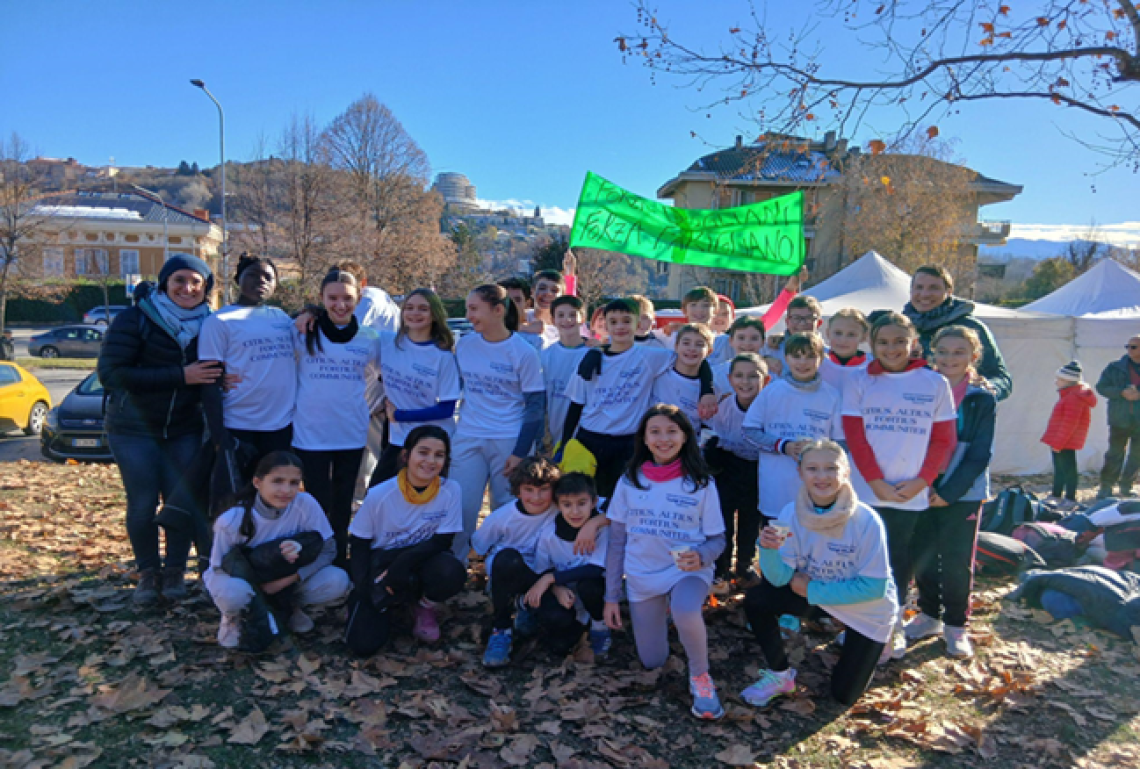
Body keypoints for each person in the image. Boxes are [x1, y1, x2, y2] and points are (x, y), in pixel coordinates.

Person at [98, 254, 220, 605]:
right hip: (133, 429)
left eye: (196, 282)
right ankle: (148, 574)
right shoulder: (135, 319)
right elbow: (112, 374)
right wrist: (181, 375)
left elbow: (215, 372)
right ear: (165, 282)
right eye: (180, 280)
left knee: (180, 503)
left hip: (183, 428)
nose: (188, 288)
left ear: (206, 288)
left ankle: (175, 572)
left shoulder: (211, 324)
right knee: (142, 503)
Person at [741, 440, 898, 707]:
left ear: (846, 472)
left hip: (865, 608)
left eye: (831, 468)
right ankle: (781, 675)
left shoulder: (866, 520)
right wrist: (767, 549)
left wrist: (811, 590)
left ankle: (873, 639)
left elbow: (874, 588)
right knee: (757, 599)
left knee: (843, 696)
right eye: (812, 468)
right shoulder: (791, 512)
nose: (821, 476)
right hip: (817, 596)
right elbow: (779, 579)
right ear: (800, 473)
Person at [842, 312, 957, 661]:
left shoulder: (935, 384)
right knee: (860, 558)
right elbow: (855, 437)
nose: (891, 349)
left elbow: (943, 440)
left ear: (914, 343)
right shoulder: (860, 381)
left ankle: (891, 628)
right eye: (883, 342)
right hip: (866, 490)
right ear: (872, 344)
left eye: (898, 341)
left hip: (910, 493)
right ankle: (858, 625)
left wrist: (923, 481)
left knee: (897, 562)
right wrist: (875, 481)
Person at [604, 404, 728, 720]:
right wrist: (611, 596)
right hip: (643, 576)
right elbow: (616, 542)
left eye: (672, 431)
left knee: (687, 609)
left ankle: (701, 678)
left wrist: (701, 556)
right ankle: (669, 618)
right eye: (655, 432)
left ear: (686, 436)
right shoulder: (629, 481)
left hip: (686, 571)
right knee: (652, 661)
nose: (663, 439)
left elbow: (718, 540)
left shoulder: (700, 483)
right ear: (644, 439)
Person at [561, 299, 715, 498]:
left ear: (638, 324)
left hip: (628, 444)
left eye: (626, 321)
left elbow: (695, 358)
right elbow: (576, 404)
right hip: (589, 439)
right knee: (582, 499)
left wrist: (707, 390)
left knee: (620, 501)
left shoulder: (651, 357)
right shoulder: (590, 361)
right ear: (604, 325)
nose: (620, 327)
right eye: (613, 322)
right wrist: (564, 444)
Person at [907, 326, 997, 659]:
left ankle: (956, 625)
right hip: (922, 486)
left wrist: (949, 491)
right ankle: (929, 615)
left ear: (974, 356)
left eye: (959, 352)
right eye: (942, 351)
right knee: (924, 555)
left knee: (957, 561)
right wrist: (925, 484)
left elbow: (980, 454)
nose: (949, 358)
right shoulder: (922, 389)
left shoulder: (981, 398)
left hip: (963, 492)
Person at [204, 451, 351, 649]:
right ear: (257, 482)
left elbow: (328, 549)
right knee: (233, 594)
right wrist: (256, 590)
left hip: (286, 578)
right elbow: (218, 567)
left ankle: (291, 606)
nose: (286, 490)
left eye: (293, 483)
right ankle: (234, 616)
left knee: (337, 580)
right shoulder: (232, 520)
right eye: (277, 481)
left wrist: (286, 581)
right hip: (242, 577)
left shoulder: (305, 504)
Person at [344, 426, 467, 654]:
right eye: (423, 452)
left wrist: (402, 564)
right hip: (380, 562)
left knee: (450, 571)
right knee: (362, 645)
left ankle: (423, 606)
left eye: (439, 455)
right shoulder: (380, 494)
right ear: (406, 455)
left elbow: (442, 542)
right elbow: (359, 543)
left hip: (422, 560)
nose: (430, 461)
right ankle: (384, 605)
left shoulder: (451, 490)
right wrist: (364, 589)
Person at [292, 268, 380, 566]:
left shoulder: (370, 338)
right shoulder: (302, 332)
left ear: (359, 297)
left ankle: (340, 561)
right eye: (332, 298)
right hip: (310, 434)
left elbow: (388, 374)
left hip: (351, 433)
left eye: (347, 298)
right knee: (316, 503)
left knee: (343, 504)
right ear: (321, 298)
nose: (340, 305)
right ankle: (318, 560)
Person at [450, 284, 546, 558]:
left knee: (505, 508)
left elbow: (535, 406)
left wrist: (519, 452)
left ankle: (499, 571)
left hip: (508, 440)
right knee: (463, 507)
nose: (468, 315)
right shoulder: (465, 345)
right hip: (469, 436)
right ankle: (456, 568)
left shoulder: (523, 352)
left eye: (474, 309)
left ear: (498, 310)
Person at [198, 255, 297, 470]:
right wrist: (218, 435)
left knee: (273, 491)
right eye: (253, 275)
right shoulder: (219, 322)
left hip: (280, 424)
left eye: (268, 277)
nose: (261, 281)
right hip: (239, 424)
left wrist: (312, 311)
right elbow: (209, 380)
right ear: (237, 279)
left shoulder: (281, 318)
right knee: (239, 494)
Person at [743, 332, 843, 533]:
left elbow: (841, 443)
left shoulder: (831, 395)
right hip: (775, 491)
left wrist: (818, 454)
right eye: (796, 356)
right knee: (776, 551)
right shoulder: (772, 391)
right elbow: (749, 431)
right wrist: (784, 446)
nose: (802, 362)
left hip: (816, 492)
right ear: (786, 358)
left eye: (810, 356)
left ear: (821, 359)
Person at [474, 457, 562, 667]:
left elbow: (600, 505)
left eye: (544, 490)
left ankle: (525, 607)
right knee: (507, 559)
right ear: (518, 490)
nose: (536, 497)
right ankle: (501, 629)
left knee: (560, 624)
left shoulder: (562, 510)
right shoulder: (503, 516)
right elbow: (479, 546)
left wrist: (593, 523)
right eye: (529, 490)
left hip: (544, 576)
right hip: (509, 570)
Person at [371, 289, 460, 486]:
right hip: (398, 438)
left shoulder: (442, 356)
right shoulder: (387, 342)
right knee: (377, 493)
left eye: (423, 309)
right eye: (409, 308)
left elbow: (447, 408)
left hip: (431, 442)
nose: (414, 313)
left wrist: (401, 415)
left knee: (424, 500)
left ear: (434, 314)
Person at [528, 472, 611, 657]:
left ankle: (599, 627)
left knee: (589, 586)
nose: (575, 512)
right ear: (558, 505)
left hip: (595, 592)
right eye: (567, 505)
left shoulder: (602, 530)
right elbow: (543, 569)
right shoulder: (549, 533)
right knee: (558, 646)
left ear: (594, 502)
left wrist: (553, 578)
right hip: (566, 595)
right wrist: (556, 586)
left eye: (582, 503)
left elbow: (596, 569)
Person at [903, 264, 1012, 401]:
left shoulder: (971, 327)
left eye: (934, 288)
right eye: (919, 287)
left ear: (949, 291)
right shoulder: (901, 328)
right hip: (909, 413)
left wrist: (989, 387)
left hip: (959, 414)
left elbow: (1002, 378)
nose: (925, 294)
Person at [705, 353, 766, 590]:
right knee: (725, 519)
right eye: (739, 376)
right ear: (730, 379)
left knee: (751, 519)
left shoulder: (768, 407)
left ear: (765, 379)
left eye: (753, 376)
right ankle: (721, 567)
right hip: (729, 467)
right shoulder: (725, 407)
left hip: (758, 469)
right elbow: (714, 437)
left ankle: (744, 564)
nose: (746, 382)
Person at [1041, 360, 1096, 508]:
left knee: (1068, 469)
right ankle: (1056, 494)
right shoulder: (1070, 395)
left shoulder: (1074, 398)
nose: (1056, 382)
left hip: (1066, 440)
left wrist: (1058, 443)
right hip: (1062, 439)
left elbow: (1069, 423)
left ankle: (1070, 497)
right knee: (1060, 467)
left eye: (1059, 379)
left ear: (1067, 381)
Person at [540, 295, 588, 451]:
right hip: (554, 438)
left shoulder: (593, 354)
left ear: (582, 318)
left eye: (572, 315)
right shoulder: (545, 355)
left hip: (585, 437)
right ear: (553, 320)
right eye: (561, 315)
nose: (567, 320)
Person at [1096, 336, 1140, 499]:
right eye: (1128, 346)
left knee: (1136, 455)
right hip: (1119, 418)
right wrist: (1121, 392)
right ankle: (1106, 486)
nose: (1130, 349)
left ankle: (1126, 486)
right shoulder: (1114, 367)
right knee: (1114, 454)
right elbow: (1101, 387)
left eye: (1134, 347)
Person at [651, 323, 716, 431]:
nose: (692, 348)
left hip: (688, 443)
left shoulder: (711, 391)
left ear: (709, 351)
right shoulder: (659, 370)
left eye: (699, 344)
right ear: (676, 346)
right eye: (686, 343)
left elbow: (707, 425)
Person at [712, 316, 769, 395]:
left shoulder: (772, 373)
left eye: (754, 338)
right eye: (741, 338)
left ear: (763, 342)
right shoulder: (716, 373)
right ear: (731, 341)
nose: (747, 343)